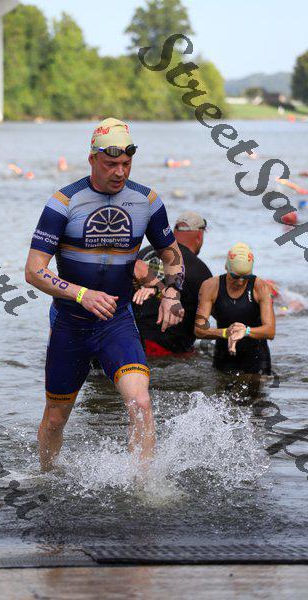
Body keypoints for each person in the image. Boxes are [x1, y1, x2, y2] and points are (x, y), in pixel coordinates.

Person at [25, 117, 185, 470]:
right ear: (92, 159)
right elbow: (34, 271)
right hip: (71, 324)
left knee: (141, 404)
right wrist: (82, 294)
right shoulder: (63, 202)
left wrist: (173, 293)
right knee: (55, 418)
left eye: (126, 163)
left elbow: (171, 254)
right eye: (111, 164)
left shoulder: (147, 201)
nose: (120, 172)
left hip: (117, 322)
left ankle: (143, 488)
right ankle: (45, 477)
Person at [132, 211, 212, 356]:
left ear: (174, 233)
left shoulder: (143, 253)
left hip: (132, 339)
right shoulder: (200, 270)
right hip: (167, 348)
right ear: (199, 236)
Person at [195, 242, 275, 375]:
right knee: (220, 386)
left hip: (256, 358)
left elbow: (270, 331)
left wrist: (245, 331)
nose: (240, 281)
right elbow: (199, 329)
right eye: (236, 276)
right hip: (224, 356)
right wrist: (226, 332)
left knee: (258, 388)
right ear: (226, 267)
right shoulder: (210, 286)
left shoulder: (261, 287)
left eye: (246, 277)